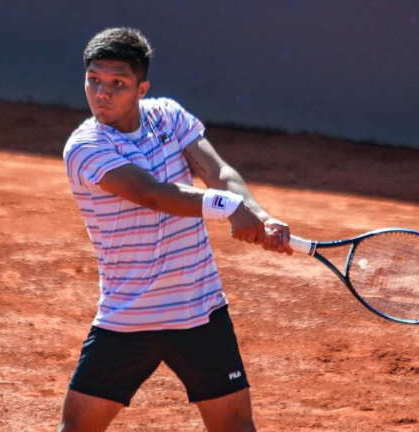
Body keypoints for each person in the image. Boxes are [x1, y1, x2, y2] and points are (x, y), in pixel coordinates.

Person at [59, 27, 293, 432]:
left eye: (118, 83)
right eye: (93, 80)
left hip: (199, 309)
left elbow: (216, 171)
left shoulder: (169, 115)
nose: (102, 93)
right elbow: (151, 194)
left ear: (141, 88)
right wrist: (229, 208)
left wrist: (259, 213)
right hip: (129, 317)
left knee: (236, 426)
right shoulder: (85, 147)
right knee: (78, 427)